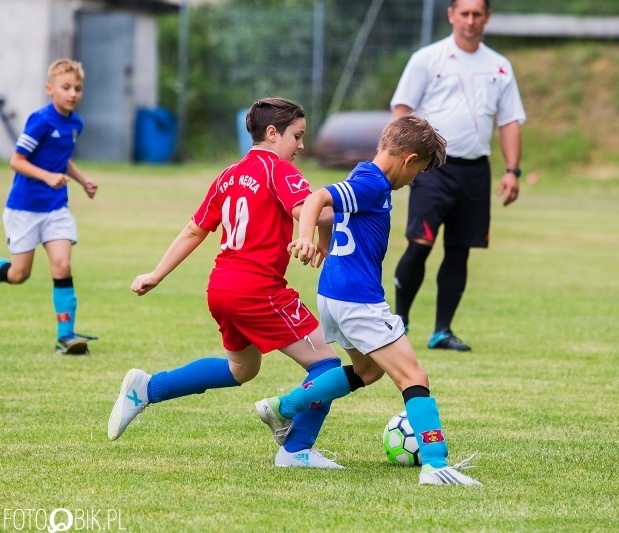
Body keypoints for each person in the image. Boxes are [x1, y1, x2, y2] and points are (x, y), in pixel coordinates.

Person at [107, 97, 347, 469]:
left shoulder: (228, 174)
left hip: (221, 287)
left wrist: (156, 273)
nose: (301, 145)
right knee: (328, 368)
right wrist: (343, 212)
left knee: (242, 370)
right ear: (272, 133)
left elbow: (194, 229)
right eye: (297, 136)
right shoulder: (279, 171)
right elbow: (311, 209)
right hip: (258, 289)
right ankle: (296, 449)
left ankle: (148, 388)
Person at [255, 114, 482, 486]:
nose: (414, 180)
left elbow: (340, 216)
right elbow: (317, 198)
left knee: (368, 371)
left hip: (335, 293)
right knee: (413, 375)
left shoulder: (364, 172)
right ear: (409, 159)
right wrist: (307, 236)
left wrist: (324, 245)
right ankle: (435, 464)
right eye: (419, 171)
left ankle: (285, 407)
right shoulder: (374, 184)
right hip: (357, 298)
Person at [390, 0, 526, 352]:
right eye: (463, 13)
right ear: (451, 15)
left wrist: (512, 170)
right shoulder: (427, 59)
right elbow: (402, 109)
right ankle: (398, 323)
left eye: (476, 14)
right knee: (420, 244)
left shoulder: (499, 66)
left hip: (476, 171)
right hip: (433, 168)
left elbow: (509, 120)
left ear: (487, 18)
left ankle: (442, 331)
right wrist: (401, 156)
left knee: (459, 251)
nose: (470, 20)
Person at [1, 58, 99, 355]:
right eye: (66, 87)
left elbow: (61, 157)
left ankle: (66, 335)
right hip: (25, 208)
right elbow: (16, 160)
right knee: (19, 275)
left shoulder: (75, 123)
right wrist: (46, 176)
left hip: (56, 207)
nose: (72, 94)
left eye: (78, 88)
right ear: (50, 89)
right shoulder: (41, 120)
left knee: (62, 264)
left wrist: (82, 181)